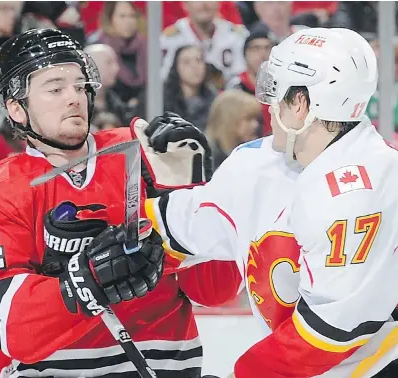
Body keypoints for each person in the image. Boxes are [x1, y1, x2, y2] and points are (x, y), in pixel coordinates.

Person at [0, 28, 241, 378]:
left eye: (79, 86)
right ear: (17, 107)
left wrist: (195, 191)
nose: (74, 98)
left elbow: (216, 290)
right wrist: (84, 281)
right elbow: (14, 330)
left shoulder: (147, 153)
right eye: (55, 89)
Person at [134, 27, 398, 377]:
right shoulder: (255, 162)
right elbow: (184, 228)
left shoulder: (368, 189)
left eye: (278, 92)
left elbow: (330, 335)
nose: (269, 105)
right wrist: (117, 234)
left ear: (302, 104)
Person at [160, 1, 249, 84]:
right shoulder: (170, 39)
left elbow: (244, 76)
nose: (204, 4)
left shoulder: (237, 35)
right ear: (185, 4)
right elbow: (165, 79)